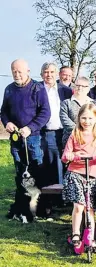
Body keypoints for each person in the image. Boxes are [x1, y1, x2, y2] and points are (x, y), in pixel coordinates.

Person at [1, 59, 51, 220]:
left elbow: (45, 113)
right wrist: (6, 122)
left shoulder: (38, 88)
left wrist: (30, 128)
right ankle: (20, 209)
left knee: (37, 172)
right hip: (16, 139)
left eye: (20, 71)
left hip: (33, 138)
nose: (17, 74)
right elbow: (3, 112)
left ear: (28, 71)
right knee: (19, 173)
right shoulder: (9, 89)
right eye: (14, 71)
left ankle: (41, 209)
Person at [62, 103, 96, 254]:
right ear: (79, 118)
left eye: (90, 118)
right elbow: (65, 155)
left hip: (91, 175)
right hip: (75, 173)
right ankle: (76, 233)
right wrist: (69, 155)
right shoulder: (75, 134)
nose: (86, 121)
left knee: (90, 208)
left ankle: (91, 237)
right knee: (80, 206)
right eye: (83, 118)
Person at [40, 62, 72, 186]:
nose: (49, 75)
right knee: (47, 163)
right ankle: (48, 196)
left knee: (62, 163)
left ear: (57, 74)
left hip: (62, 132)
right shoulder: (37, 89)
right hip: (43, 131)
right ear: (42, 74)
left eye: (52, 72)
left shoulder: (66, 90)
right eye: (46, 72)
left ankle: (61, 196)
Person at [60, 76, 96, 148]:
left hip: (90, 143)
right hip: (70, 143)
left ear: (88, 89)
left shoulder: (94, 104)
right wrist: (80, 132)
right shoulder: (66, 103)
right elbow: (64, 120)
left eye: (83, 86)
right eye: (77, 85)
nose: (80, 88)